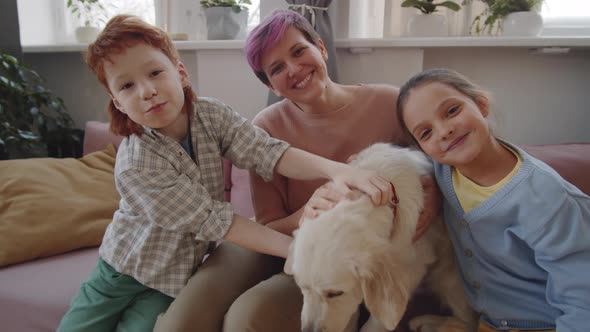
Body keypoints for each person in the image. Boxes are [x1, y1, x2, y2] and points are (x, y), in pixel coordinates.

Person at [56, 14, 395, 332]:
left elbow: (268, 152)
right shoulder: (137, 166)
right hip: (121, 272)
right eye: (127, 86)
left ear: (180, 72)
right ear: (116, 102)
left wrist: (339, 172)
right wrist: (303, 252)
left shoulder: (211, 115)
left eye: (155, 73)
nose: (146, 91)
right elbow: (219, 222)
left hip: (173, 278)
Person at [153, 9, 442, 332]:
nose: (294, 69)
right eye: (277, 68)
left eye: (299, 51)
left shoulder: (391, 102)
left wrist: (434, 195)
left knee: (246, 318)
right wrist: (307, 213)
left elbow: (441, 162)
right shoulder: (266, 126)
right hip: (284, 245)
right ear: (271, 85)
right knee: (181, 322)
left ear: (321, 47)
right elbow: (270, 225)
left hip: (353, 261)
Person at [393, 68, 590, 332]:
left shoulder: (545, 198)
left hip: (546, 323)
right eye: (426, 133)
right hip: (488, 321)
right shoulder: (441, 171)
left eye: (451, 111)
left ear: (481, 105)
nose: (444, 131)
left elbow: (582, 300)